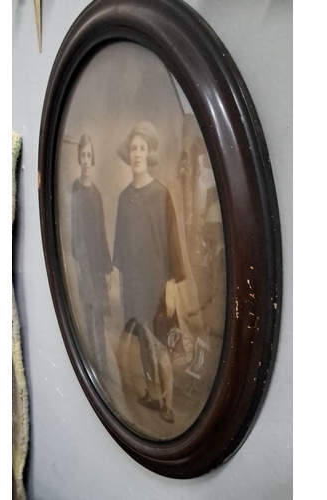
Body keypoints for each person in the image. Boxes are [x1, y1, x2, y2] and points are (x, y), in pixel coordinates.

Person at [113, 121, 186, 423]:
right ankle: (151, 394)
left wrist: (170, 286)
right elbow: (121, 247)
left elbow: (171, 243)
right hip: (134, 285)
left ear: (148, 153)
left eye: (142, 148)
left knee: (161, 350)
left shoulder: (161, 194)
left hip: (157, 287)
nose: (138, 154)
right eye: (133, 148)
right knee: (143, 344)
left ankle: (166, 403)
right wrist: (120, 282)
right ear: (128, 156)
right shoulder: (124, 198)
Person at [71, 133, 113, 378]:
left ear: (93, 159)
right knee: (88, 315)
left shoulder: (95, 194)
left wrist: (107, 269)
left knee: (99, 318)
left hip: (97, 267)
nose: (86, 160)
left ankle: (103, 369)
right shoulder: (75, 191)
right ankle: (93, 369)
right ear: (78, 158)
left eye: (89, 156)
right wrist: (80, 266)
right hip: (84, 266)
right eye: (83, 155)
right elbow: (76, 235)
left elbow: (101, 234)